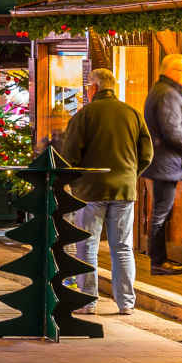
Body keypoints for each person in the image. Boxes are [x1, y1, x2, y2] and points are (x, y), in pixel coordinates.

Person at [56, 68, 154, 315]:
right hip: (124, 190)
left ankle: (88, 302)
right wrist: (130, 175)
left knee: (87, 246)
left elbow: (70, 156)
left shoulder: (85, 115)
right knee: (122, 247)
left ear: (94, 88)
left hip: (91, 190)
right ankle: (126, 304)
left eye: (88, 87)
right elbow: (147, 154)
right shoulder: (132, 113)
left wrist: (75, 183)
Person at [142, 53, 182, 277]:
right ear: (169, 72)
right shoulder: (168, 95)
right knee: (161, 213)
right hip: (166, 163)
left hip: (161, 161)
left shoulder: (161, 91)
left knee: (160, 211)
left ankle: (158, 260)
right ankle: (158, 262)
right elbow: (173, 133)